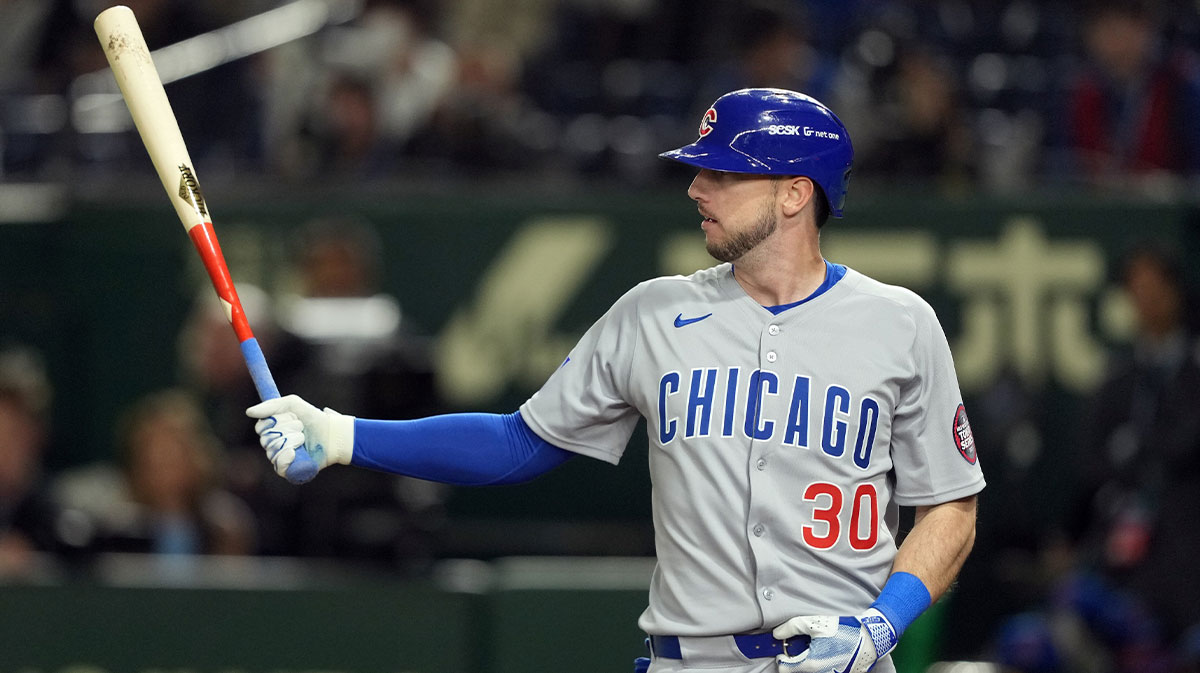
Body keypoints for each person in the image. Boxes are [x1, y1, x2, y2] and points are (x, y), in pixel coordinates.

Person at [247, 88, 985, 673]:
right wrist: (341, 433)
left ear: (795, 193)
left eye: (723, 172)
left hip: (840, 664)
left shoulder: (900, 323)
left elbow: (949, 506)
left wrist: (879, 623)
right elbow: (518, 443)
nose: (697, 187)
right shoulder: (653, 313)